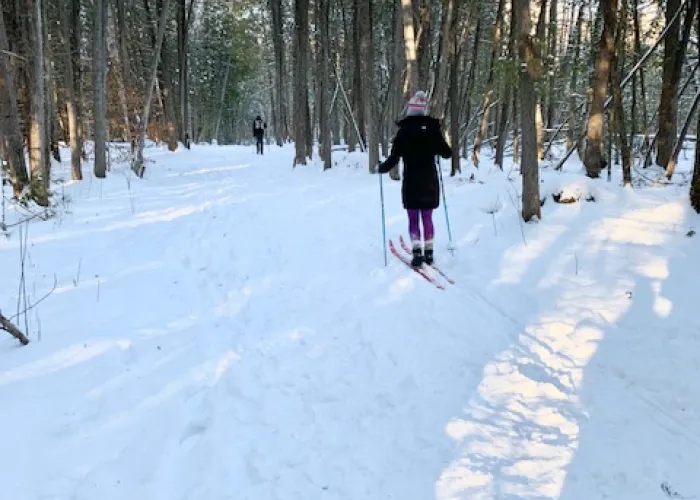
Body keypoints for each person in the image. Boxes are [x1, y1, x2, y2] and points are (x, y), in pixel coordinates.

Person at [377, 91, 452, 268]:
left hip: (411, 182)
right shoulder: (433, 129)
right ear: (424, 110)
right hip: (429, 182)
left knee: (413, 217)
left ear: (410, 110)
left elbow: (394, 158)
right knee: (427, 216)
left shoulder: (404, 131)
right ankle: (429, 252)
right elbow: (447, 153)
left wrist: (382, 168)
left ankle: (417, 253)